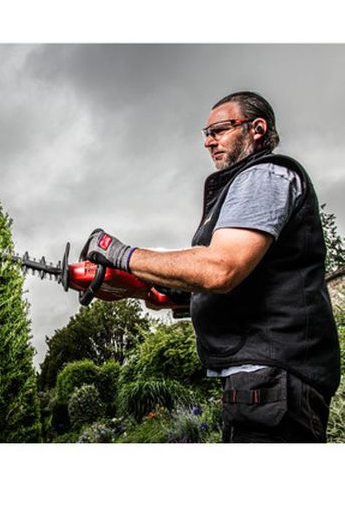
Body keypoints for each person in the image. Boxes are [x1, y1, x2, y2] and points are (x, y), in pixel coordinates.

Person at [81, 91, 340, 443]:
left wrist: (119, 253)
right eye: (206, 134)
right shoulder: (241, 188)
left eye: (219, 130)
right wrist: (141, 286)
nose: (208, 141)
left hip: (276, 378)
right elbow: (217, 283)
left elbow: (220, 270)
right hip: (258, 382)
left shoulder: (264, 176)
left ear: (257, 129)